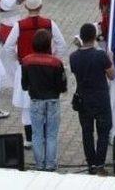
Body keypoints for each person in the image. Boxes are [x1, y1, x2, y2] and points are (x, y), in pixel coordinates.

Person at [4, 0, 66, 149]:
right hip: (47, 68)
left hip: (26, 67)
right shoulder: (49, 23)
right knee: (45, 102)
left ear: (25, 7)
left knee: (26, 106)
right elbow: (62, 44)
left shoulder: (19, 25)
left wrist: (18, 59)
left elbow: (8, 47)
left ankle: (29, 138)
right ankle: (44, 136)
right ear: (41, 6)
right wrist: (54, 58)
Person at [70, 23, 115, 176]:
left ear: (81, 37)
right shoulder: (101, 55)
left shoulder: (73, 57)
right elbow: (112, 75)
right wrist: (111, 59)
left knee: (87, 132)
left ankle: (91, 165)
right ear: (94, 37)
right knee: (103, 132)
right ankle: (100, 164)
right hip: (101, 99)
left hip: (83, 99)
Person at [21, 29, 68, 171]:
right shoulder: (56, 63)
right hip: (52, 100)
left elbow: (24, 85)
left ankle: (39, 164)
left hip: (35, 101)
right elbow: (62, 86)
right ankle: (50, 164)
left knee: (37, 134)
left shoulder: (26, 61)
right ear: (49, 44)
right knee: (51, 134)